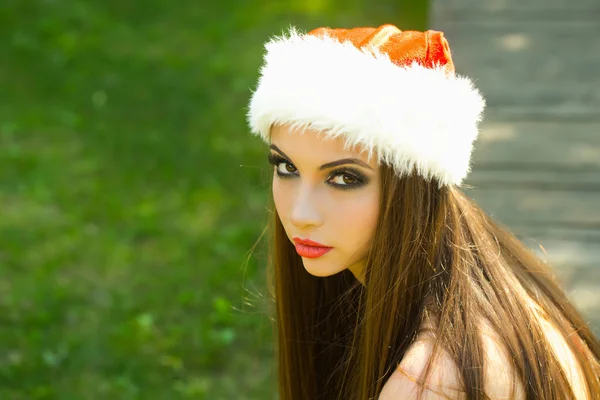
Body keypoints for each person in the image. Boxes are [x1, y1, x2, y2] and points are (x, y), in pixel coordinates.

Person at [246, 24, 600, 399]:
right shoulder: (490, 274)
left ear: (414, 184)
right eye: (286, 168)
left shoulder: (430, 384)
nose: (301, 213)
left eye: (345, 178)